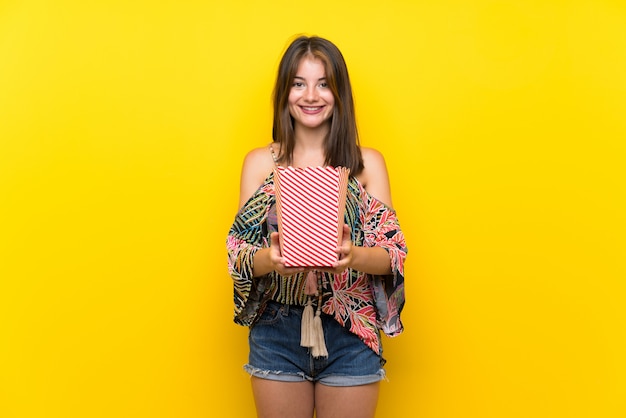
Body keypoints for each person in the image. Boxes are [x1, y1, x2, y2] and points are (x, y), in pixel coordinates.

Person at [226, 35, 407, 418]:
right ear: (284, 93)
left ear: (339, 93)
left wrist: (352, 255)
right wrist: (271, 259)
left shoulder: (366, 164)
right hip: (278, 326)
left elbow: (393, 255)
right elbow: (238, 254)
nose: (311, 95)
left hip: (351, 331)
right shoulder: (260, 164)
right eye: (298, 83)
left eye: (324, 83)